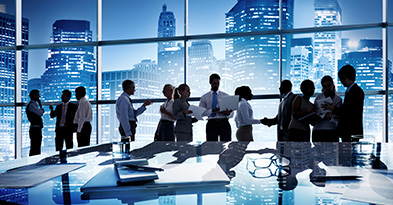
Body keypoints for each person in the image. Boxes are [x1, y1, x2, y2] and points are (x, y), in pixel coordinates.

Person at [323, 64, 364, 142]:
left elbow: (349, 111)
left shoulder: (356, 91)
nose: (341, 81)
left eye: (342, 79)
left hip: (351, 129)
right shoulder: (352, 90)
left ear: (349, 77)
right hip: (349, 129)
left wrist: (333, 108)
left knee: (348, 151)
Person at [199, 74, 233, 141]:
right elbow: (201, 113)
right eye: (214, 83)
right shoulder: (204, 97)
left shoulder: (226, 96)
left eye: (218, 83)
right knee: (211, 146)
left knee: (226, 145)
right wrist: (212, 111)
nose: (216, 85)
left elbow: (232, 113)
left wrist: (228, 113)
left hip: (224, 123)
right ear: (210, 82)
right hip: (212, 123)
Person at [312, 76, 342, 142]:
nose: (327, 88)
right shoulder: (318, 97)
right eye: (325, 86)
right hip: (318, 129)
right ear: (322, 87)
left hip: (332, 129)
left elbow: (340, 115)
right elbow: (314, 111)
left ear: (333, 84)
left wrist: (332, 115)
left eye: (329, 85)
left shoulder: (338, 99)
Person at [26, 90, 44, 156]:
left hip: (36, 128)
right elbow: (40, 113)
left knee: (36, 146)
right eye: (38, 95)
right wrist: (41, 107)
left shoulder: (33, 105)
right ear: (34, 96)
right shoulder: (32, 105)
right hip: (35, 129)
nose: (39, 97)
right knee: (35, 147)